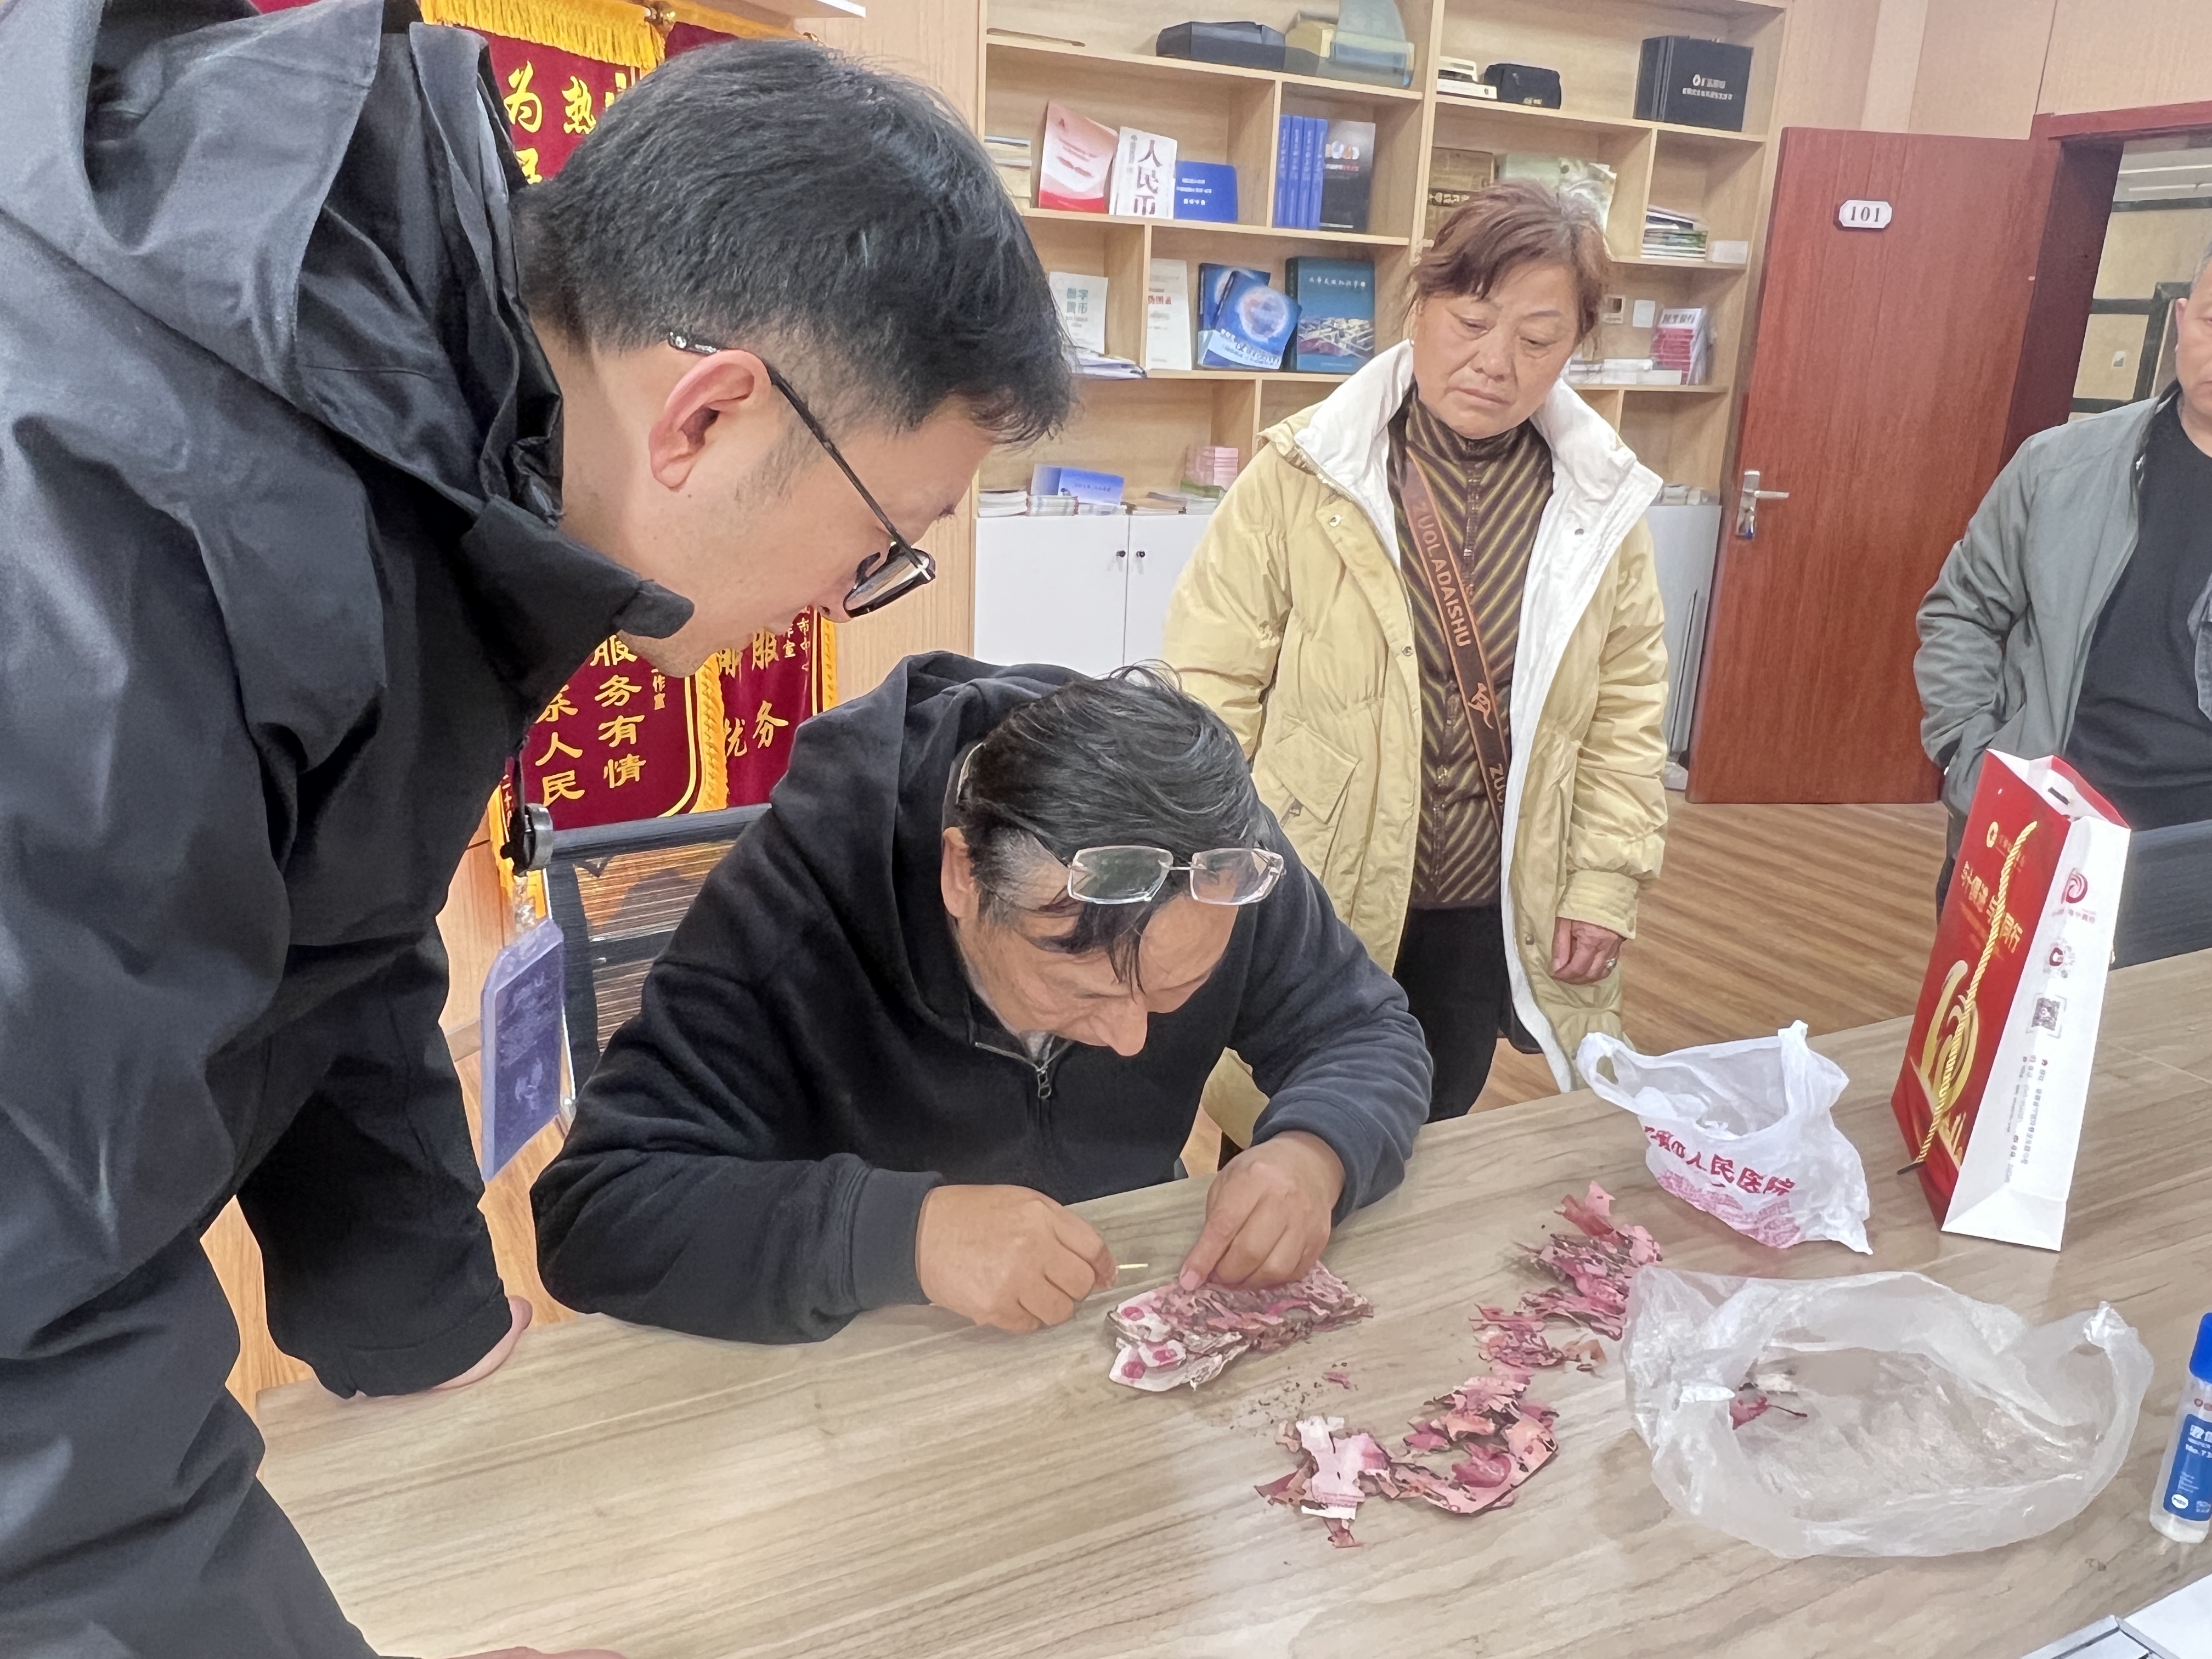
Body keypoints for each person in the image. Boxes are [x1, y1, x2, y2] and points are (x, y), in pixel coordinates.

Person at [0, 4, 1069, 1655]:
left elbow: (334, 904)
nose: (843, 602)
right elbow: (32, 1351)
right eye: (881, 540)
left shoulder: (429, 400)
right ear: (706, 416)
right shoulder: (119, 552)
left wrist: (414, 1315)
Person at [531, 661, 1430, 1342]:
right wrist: (902, 1234)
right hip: (870, 1364)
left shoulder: (1217, 859)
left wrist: (1316, 1152)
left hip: (1117, 1323)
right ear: (963, 874)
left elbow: (1362, 1025)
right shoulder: (797, 901)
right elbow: (595, 1210)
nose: (1131, 1038)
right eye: (1081, 988)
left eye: (1177, 989)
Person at [1160, 181, 1669, 1138]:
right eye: (1472, 321)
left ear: (1574, 346)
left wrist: (1604, 881)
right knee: (1279, 1131)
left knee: (1433, 1132)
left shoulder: (1599, 506)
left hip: (1483, 901)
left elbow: (1625, 712)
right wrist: (1218, 867)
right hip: (1314, 886)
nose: (1496, 362)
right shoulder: (1305, 472)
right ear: (1421, 304)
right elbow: (1208, 685)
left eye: (1538, 339)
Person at [1918, 240, 2212, 894]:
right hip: (2036, 828)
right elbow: (1961, 611)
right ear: (2181, 321)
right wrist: (1970, 755)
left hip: (2193, 856)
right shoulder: (2059, 466)